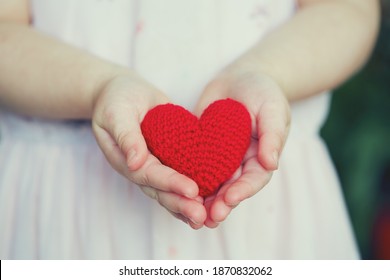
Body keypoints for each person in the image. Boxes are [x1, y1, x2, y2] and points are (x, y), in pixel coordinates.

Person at [0, 0, 379, 259]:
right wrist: (97, 87)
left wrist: (267, 72)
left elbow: (347, 8)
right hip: (66, 210)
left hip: (265, 194)